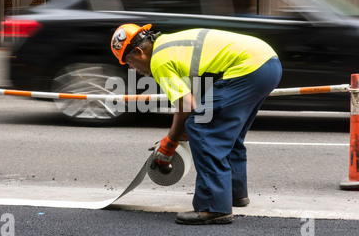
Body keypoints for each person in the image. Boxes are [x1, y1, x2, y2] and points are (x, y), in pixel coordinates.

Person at [110, 23, 282, 225]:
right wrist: (179, 132)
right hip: (268, 63)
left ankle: (213, 207)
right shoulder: (169, 44)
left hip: (249, 68)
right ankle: (236, 193)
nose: (131, 69)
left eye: (128, 62)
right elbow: (194, 100)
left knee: (202, 127)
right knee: (225, 132)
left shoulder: (159, 60)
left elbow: (187, 106)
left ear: (139, 52)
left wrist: (169, 143)